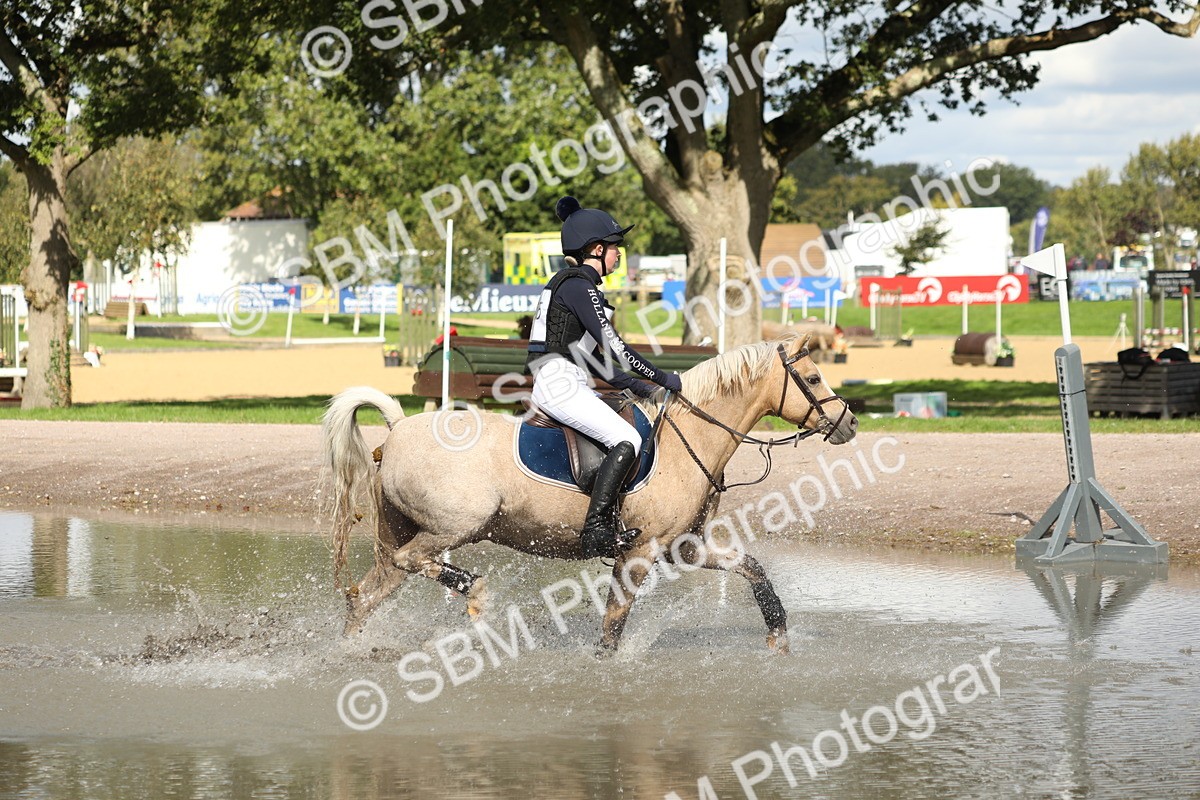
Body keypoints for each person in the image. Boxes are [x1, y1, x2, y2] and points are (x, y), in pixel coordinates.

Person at [525, 196, 684, 558]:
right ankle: (596, 529)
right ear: (596, 249)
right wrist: (663, 377)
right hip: (559, 383)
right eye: (616, 249)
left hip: (567, 377)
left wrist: (639, 386)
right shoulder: (580, 287)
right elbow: (617, 349)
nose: (618, 256)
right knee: (626, 437)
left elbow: (597, 362)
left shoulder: (572, 285)